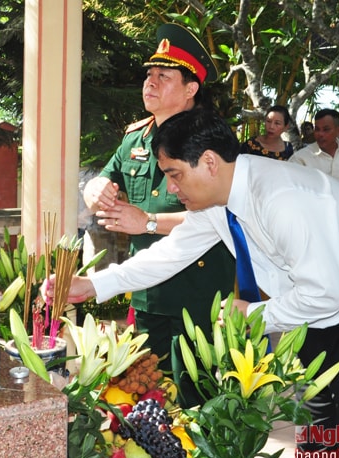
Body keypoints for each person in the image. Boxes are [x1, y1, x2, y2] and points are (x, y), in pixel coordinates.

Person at [49, 108, 339, 458]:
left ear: (208, 162)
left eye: (175, 175)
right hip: (314, 321)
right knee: (319, 440)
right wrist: (94, 285)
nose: (171, 189)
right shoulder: (219, 202)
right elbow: (171, 254)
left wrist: (253, 314)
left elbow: (327, 293)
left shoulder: (284, 198)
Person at [81, 23, 235, 408]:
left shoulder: (208, 143)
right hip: (148, 289)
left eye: (163, 76)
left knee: (195, 396)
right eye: (149, 75)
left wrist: (147, 221)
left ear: (190, 89)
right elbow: (103, 179)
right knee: (144, 395)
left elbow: (218, 220)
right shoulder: (135, 138)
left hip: (196, 292)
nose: (150, 83)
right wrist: (93, 190)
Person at [288, 109, 339, 194]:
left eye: (326, 129)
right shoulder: (300, 158)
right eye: (317, 129)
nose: (320, 134)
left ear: (338, 131)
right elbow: (291, 187)